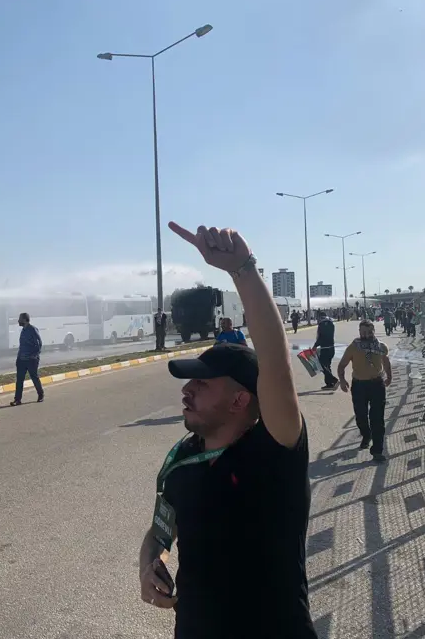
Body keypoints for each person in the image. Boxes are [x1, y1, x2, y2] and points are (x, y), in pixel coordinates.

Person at [138, 222, 316, 638]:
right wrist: (149, 561)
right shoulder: (183, 460)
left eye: (202, 382)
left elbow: (275, 362)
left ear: (241, 399)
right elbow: (162, 527)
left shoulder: (275, 450)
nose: (188, 390)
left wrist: (243, 270)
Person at [337, 320, 392, 462]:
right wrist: (342, 381)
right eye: (362, 332)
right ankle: (366, 435)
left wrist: (389, 376)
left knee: (377, 418)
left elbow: (386, 362)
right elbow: (342, 365)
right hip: (359, 386)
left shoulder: (381, 346)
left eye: (368, 332)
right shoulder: (354, 347)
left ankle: (377, 451)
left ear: (373, 331)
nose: (365, 335)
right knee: (361, 415)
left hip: (377, 385)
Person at [10, 312, 44, 406]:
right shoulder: (23, 330)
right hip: (21, 359)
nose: (18, 321)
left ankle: (40, 395)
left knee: (34, 377)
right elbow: (22, 346)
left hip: (31, 360)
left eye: (20, 319)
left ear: (24, 320)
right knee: (19, 380)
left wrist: (34, 355)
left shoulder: (32, 329)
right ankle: (17, 400)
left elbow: (39, 343)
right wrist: (18, 358)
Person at [313, 310, 339, 390]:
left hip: (325, 348)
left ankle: (334, 380)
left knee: (321, 366)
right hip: (331, 348)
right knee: (327, 366)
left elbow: (321, 337)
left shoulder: (321, 324)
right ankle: (329, 384)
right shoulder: (331, 323)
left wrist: (315, 346)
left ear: (320, 317)